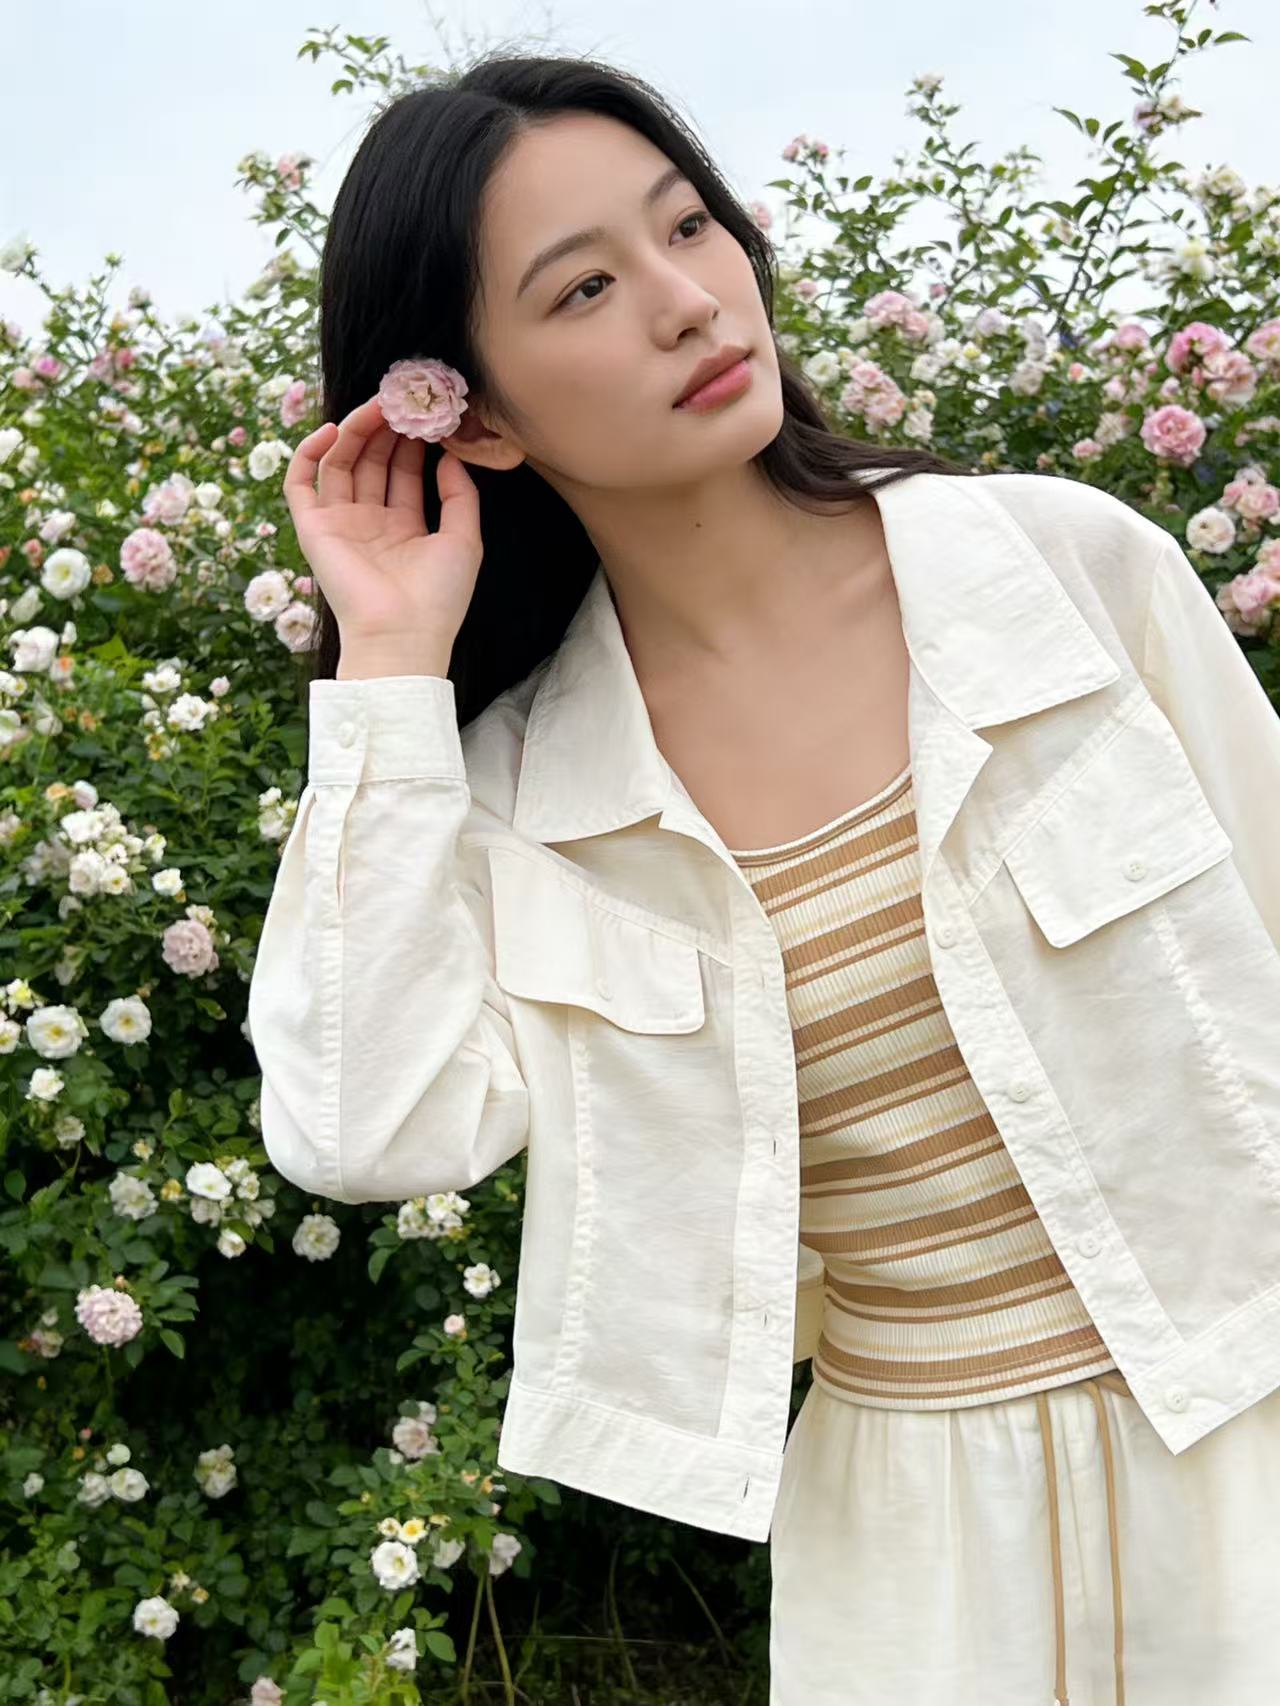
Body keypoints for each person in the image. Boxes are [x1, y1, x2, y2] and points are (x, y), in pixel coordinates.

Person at [246, 49, 1280, 1706]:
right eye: (584, 286)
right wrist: (387, 663)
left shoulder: (1065, 574)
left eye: (688, 226)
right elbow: (363, 1127)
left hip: (1253, 1423)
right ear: (473, 412)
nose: (686, 302)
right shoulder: (522, 798)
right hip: (921, 1559)